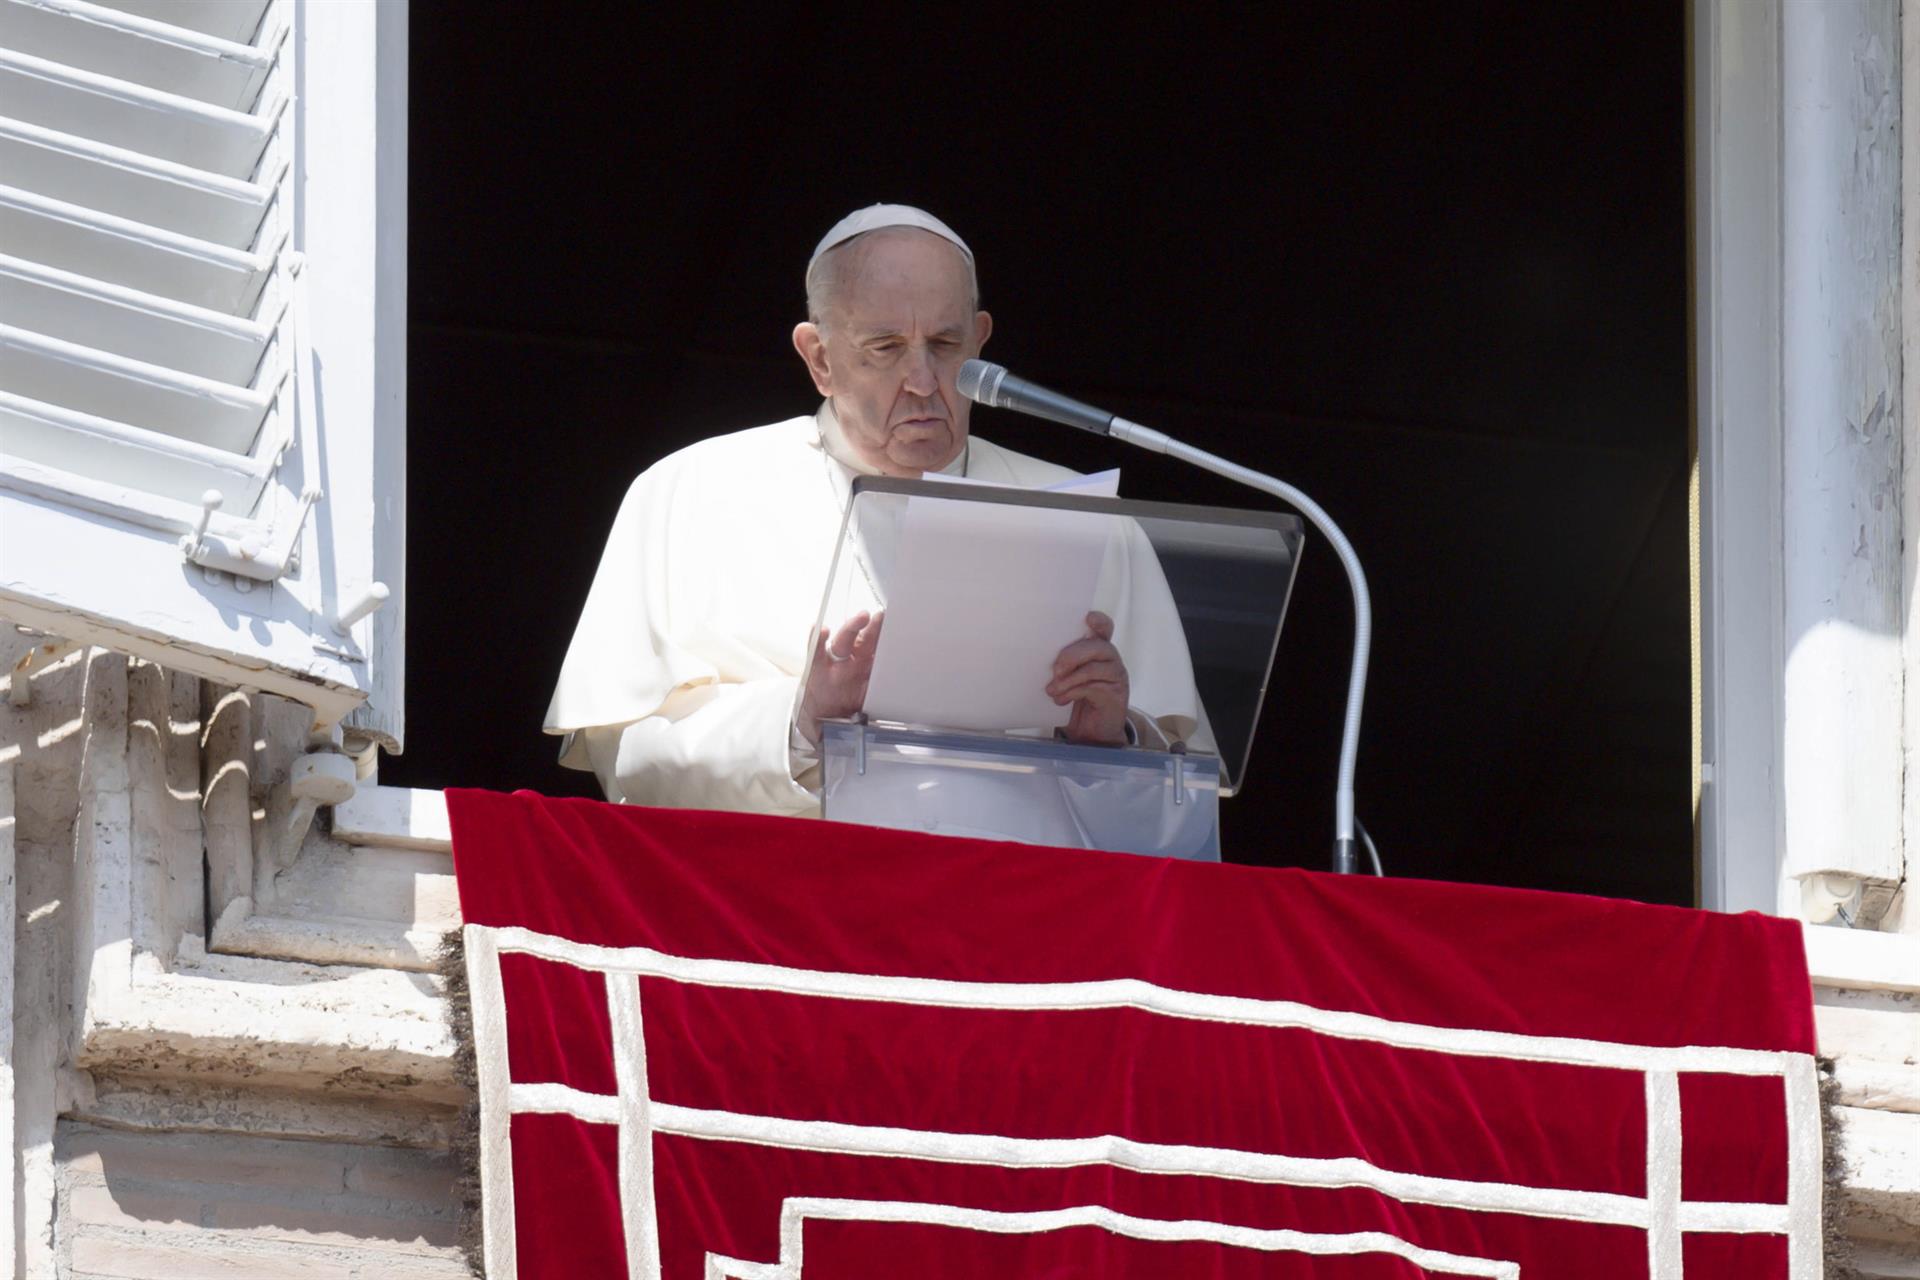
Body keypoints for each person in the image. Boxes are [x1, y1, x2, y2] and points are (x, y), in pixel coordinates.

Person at [545, 205, 1206, 820]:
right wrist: (801, 721)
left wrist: (1109, 743)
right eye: (885, 348)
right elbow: (628, 764)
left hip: (1020, 914)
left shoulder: (1079, 513)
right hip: (787, 912)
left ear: (979, 341)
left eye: (945, 345)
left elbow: (1185, 804)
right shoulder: (692, 491)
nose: (922, 380)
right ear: (820, 359)